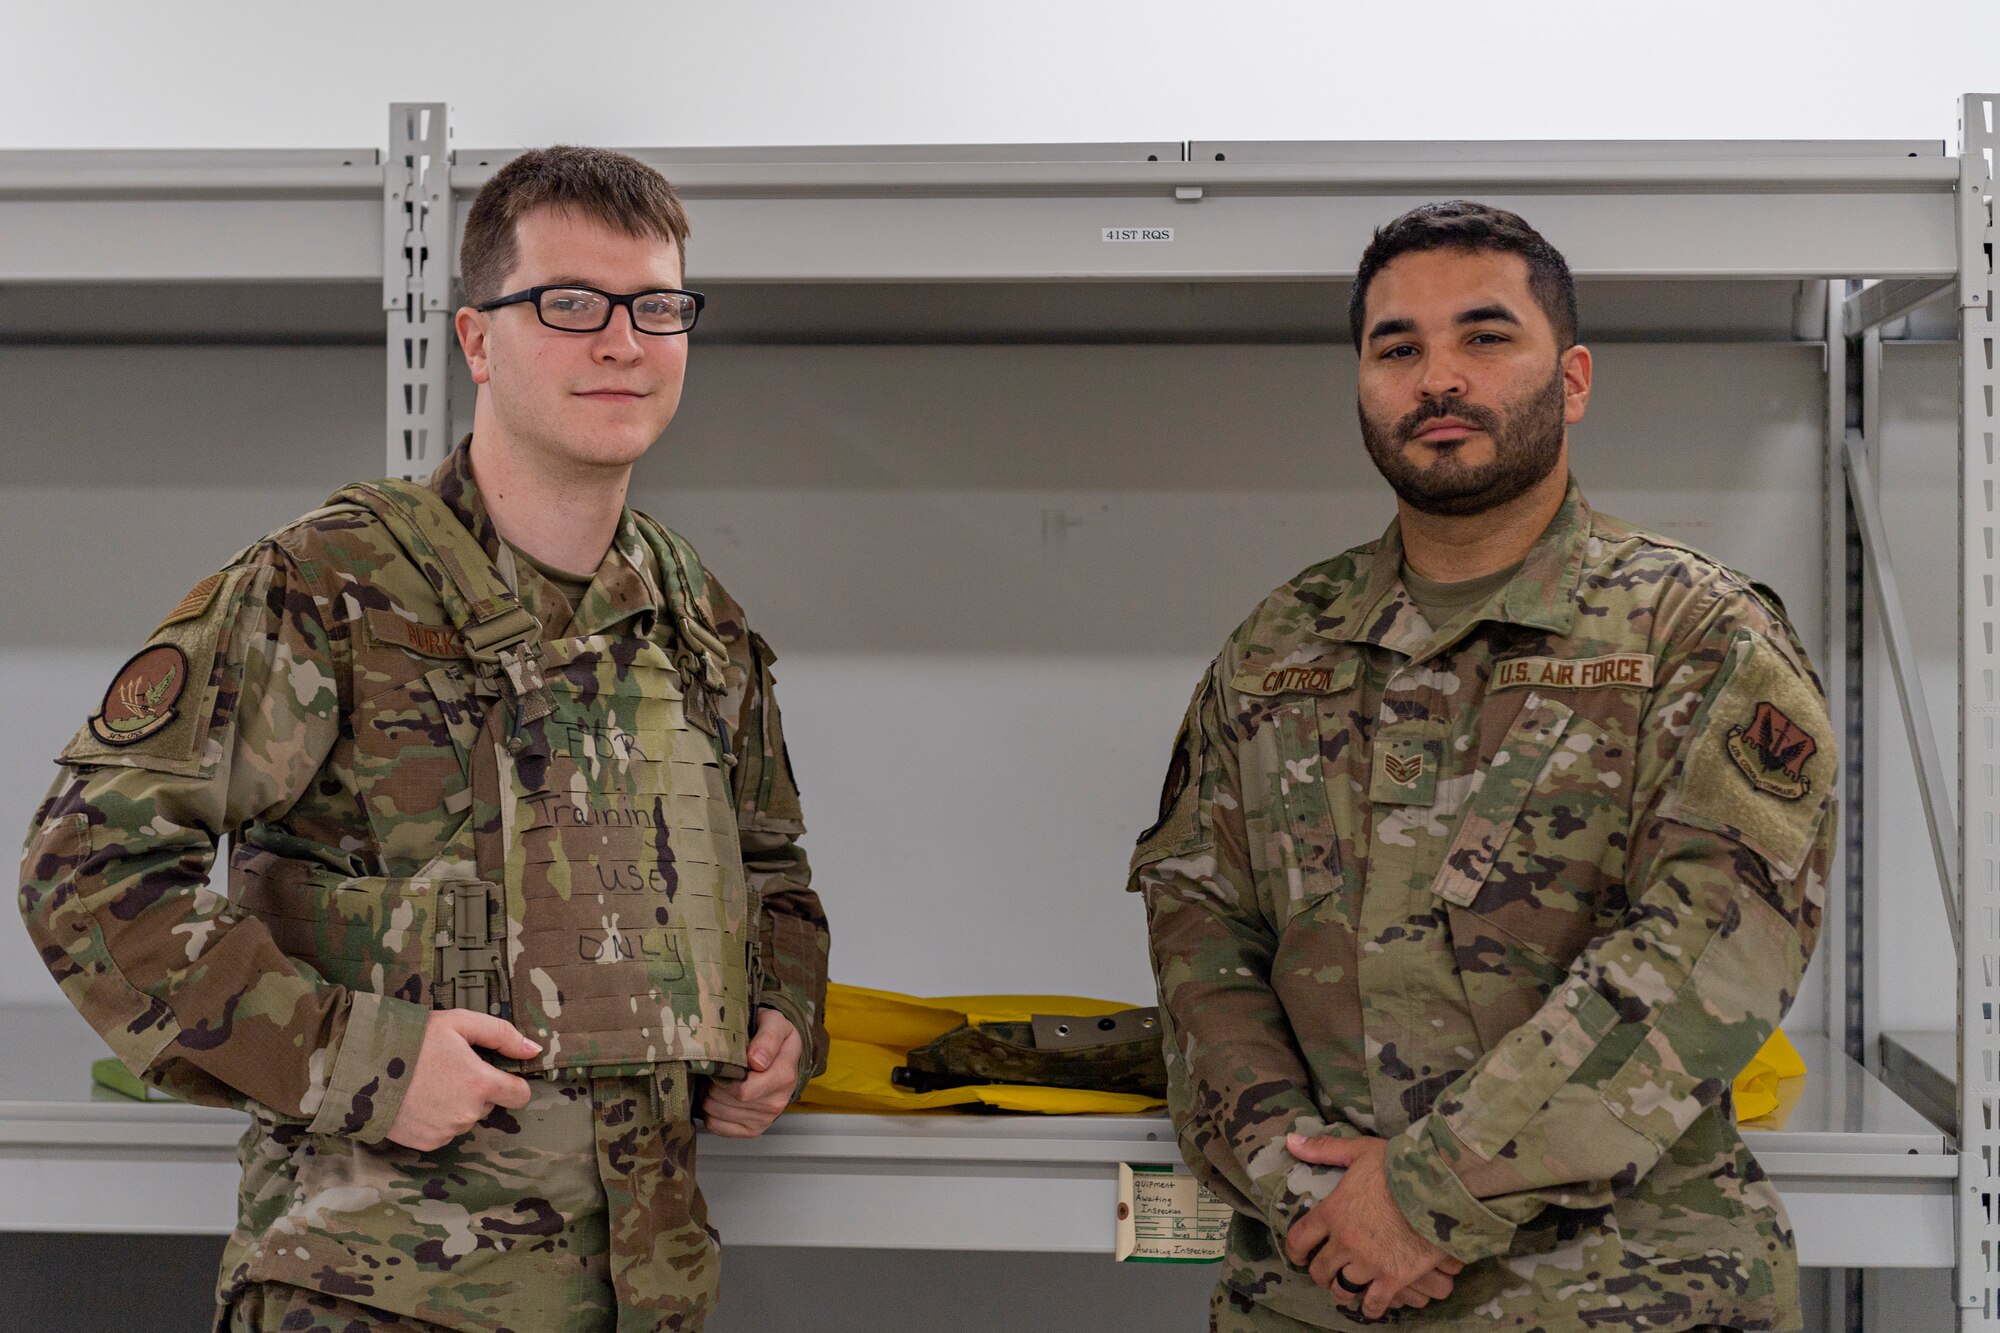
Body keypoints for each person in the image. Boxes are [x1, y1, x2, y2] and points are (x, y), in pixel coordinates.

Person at [18, 145, 829, 1333]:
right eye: (569, 304)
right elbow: (85, 869)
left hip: (644, 1289)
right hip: (374, 1295)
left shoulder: (689, 611)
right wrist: (363, 1058)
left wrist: (781, 1018)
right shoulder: (332, 585)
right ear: (477, 339)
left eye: (657, 307)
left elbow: (770, 868)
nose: (622, 342)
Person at [1133, 200, 1832, 1333]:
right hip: (1311, 1288)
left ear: (1572, 378)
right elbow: (1197, 925)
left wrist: (1419, 1198)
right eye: (1395, 348)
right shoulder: (1280, 645)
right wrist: (1300, 1183)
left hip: (1618, 1294)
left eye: (1484, 335)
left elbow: (1709, 949)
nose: (1436, 377)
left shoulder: (1691, 633)